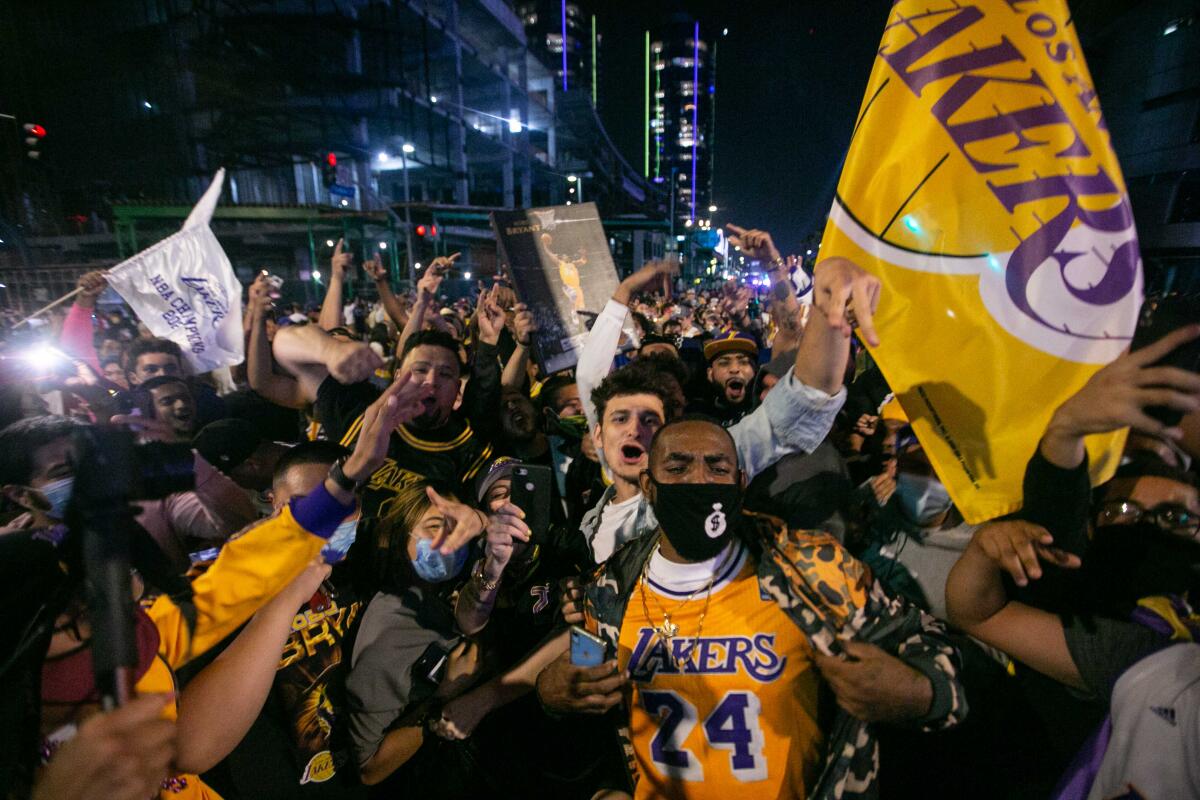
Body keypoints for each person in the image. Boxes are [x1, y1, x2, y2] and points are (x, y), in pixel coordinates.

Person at [539, 417, 965, 798]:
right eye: (678, 467)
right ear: (649, 485)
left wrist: (915, 691)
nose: (700, 481)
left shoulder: (812, 567)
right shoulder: (608, 589)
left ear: (740, 483)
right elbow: (583, 693)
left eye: (718, 467)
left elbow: (931, 645)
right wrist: (551, 694)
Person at [343, 482, 488, 794]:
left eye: (456, 528)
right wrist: (443, 697)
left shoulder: (452, 596)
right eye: (433, 527)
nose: (447, 540)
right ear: (400, 538)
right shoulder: (384, 639)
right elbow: (369, 768)